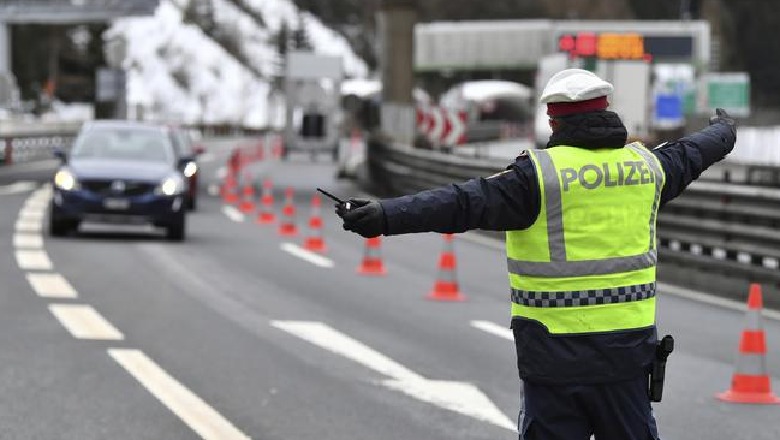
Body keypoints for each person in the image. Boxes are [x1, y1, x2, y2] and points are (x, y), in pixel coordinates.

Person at [335, 69, 737, 440]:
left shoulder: (536, 178)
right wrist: (724, 131)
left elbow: (459, 203)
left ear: (553, 121)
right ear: (607, 112)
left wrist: (384, 216)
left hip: (553, 363)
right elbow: (692, 152)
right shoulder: (646, 168)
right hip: (627, 360)